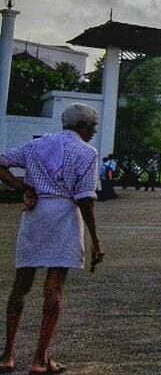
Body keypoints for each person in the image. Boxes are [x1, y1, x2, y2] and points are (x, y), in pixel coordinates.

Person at [0, 103, 104, 375]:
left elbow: (1, 162)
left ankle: (7, 354)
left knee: (21, 284)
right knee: (54, 286)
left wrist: (23, 187)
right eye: (92, 127)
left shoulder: (36, 146)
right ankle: (39, 359)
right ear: (82, 127)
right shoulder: (87, 153)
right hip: (63, 216)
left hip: (35, 215)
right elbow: (85, 200)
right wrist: (95, 239)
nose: (93, 131)